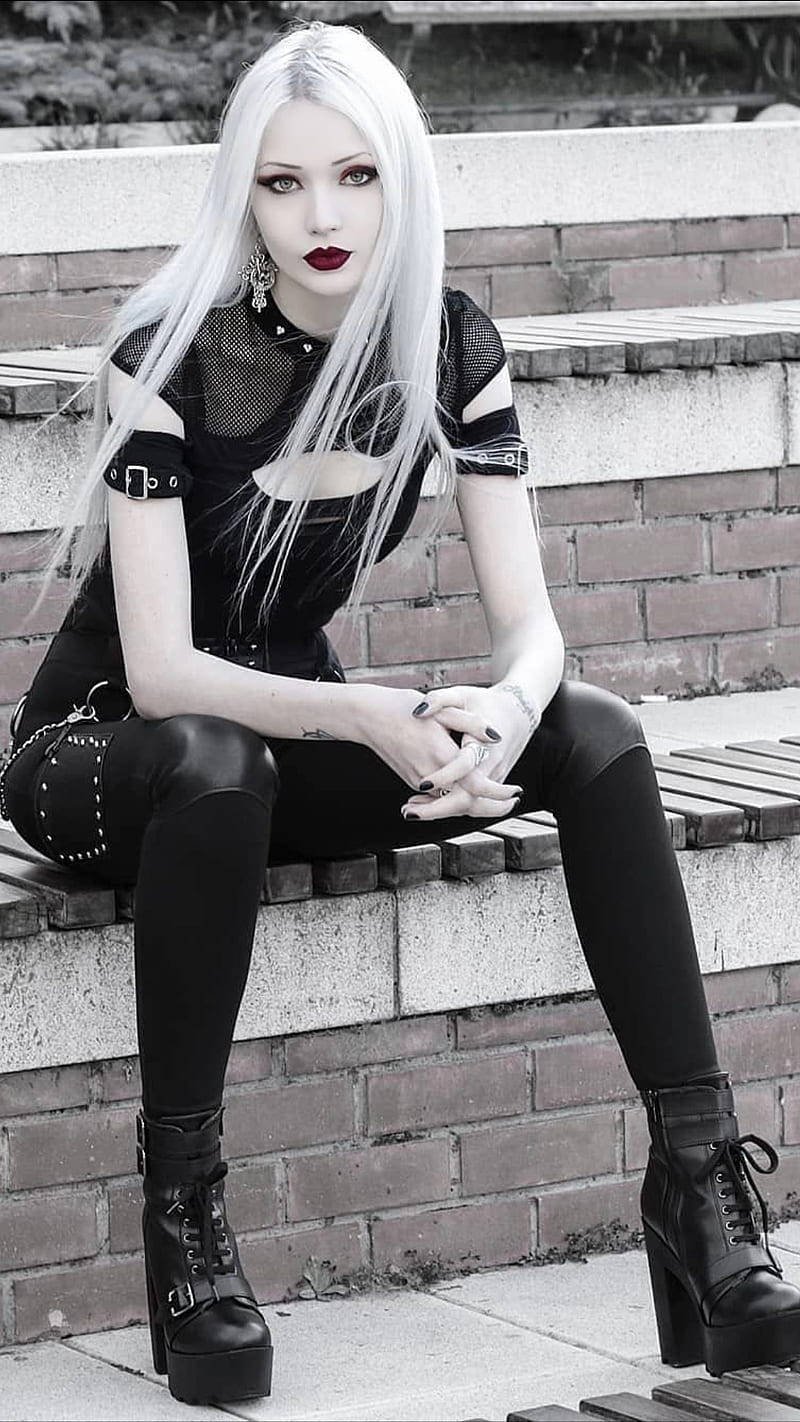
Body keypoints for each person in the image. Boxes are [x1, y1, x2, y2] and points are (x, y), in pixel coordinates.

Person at [1, 16, 798, 1410]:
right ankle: (185, 1219)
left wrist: (500, 709)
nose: (321, 215)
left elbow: (532, 624)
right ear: (242, 193)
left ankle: (699, 1187)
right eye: (283, 180)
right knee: (212, 753)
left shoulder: (447, 342)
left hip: (282, 747)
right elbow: (167, 670)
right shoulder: (169, 351)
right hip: (108, 752)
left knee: (594, 731)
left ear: (401, 184)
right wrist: (368, 712)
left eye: (356, 177)